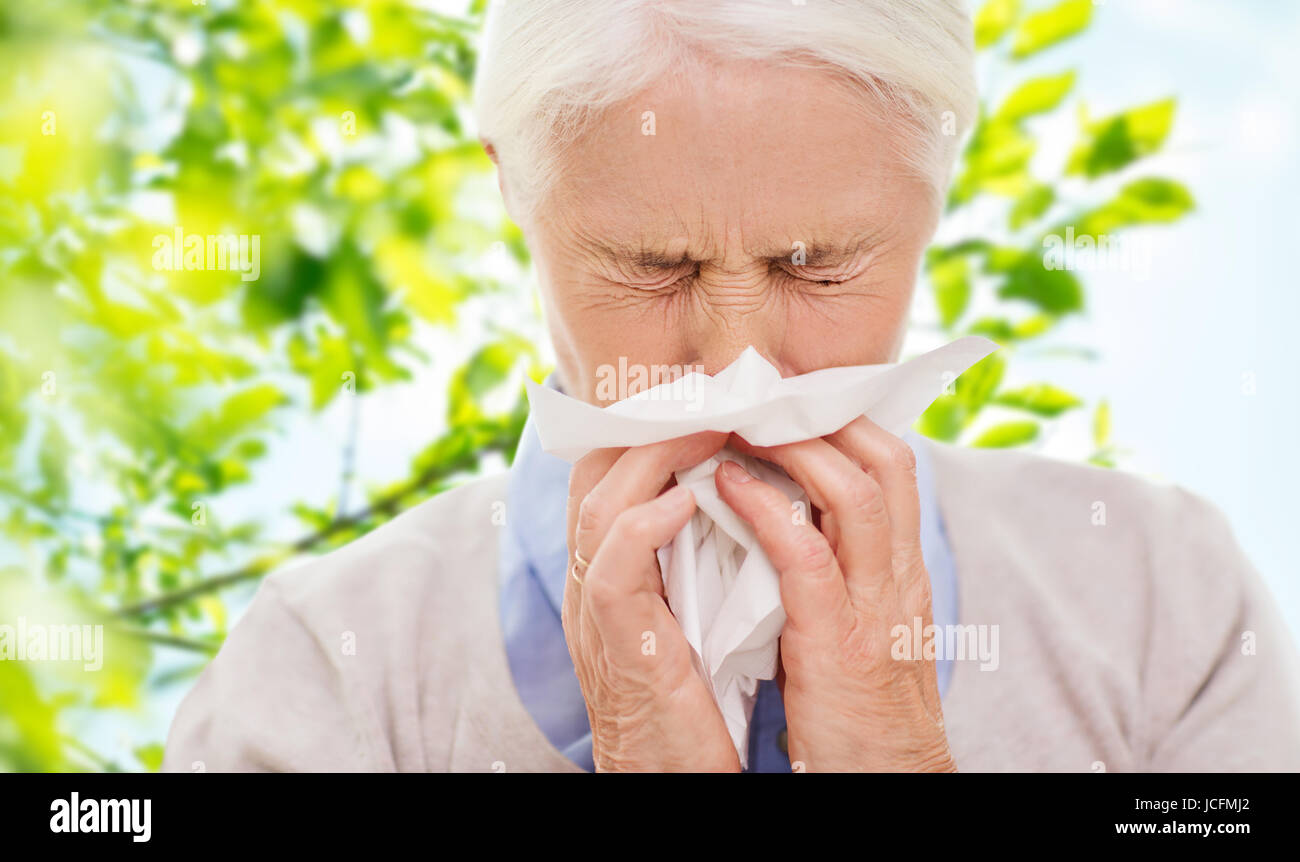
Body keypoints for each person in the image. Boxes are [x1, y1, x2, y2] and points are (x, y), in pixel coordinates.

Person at [162, 0, 1300, 773]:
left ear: (934, 195)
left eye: (816, 264)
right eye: (655, 266)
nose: (735, 365)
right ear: (513, 188)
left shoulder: (1162, 605)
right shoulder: (321, 678)